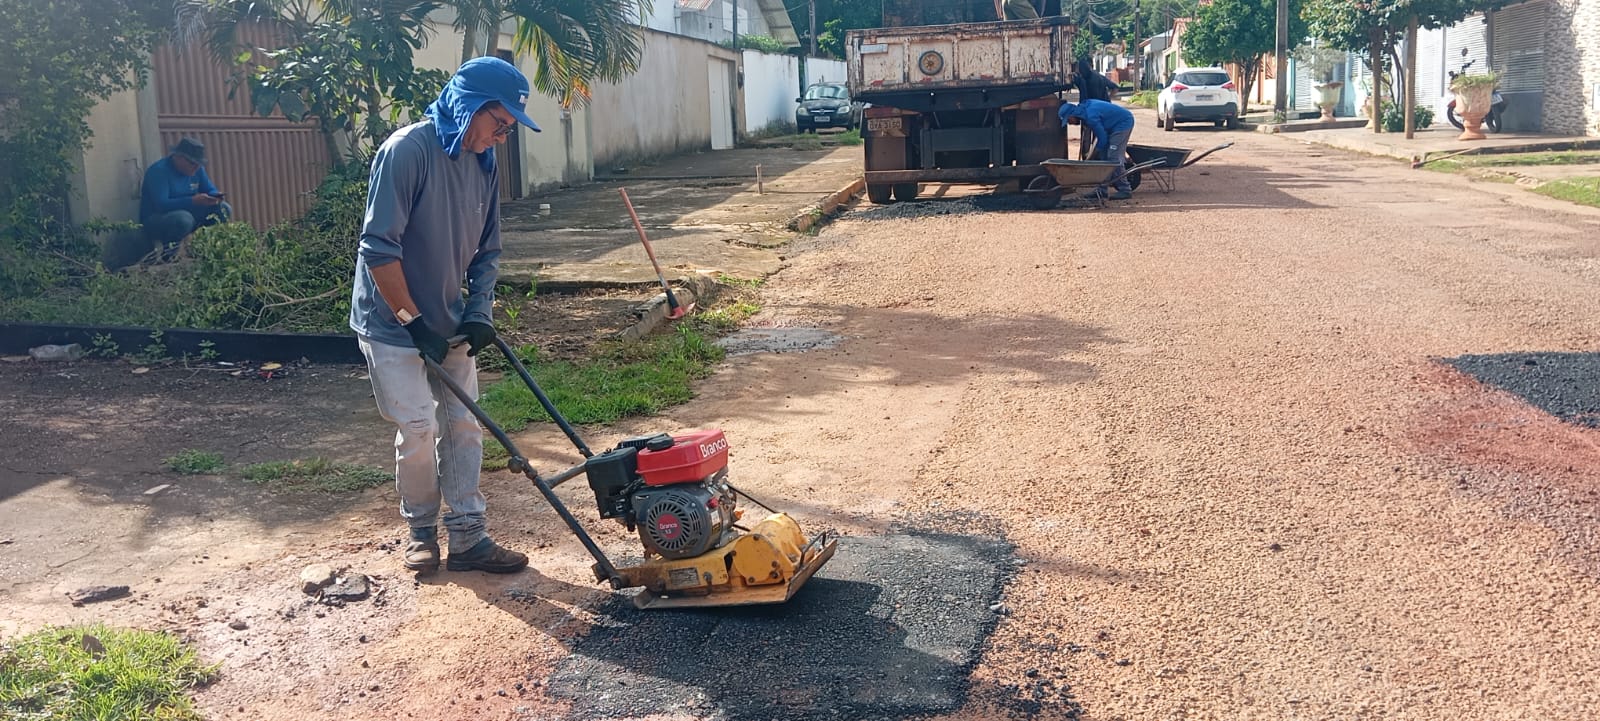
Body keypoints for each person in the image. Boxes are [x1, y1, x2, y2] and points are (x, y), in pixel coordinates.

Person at [349, 56, 540, 574]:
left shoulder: (483, 160)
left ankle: (469, 537)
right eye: (499, 123)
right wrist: (412, 321)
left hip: (448, 317)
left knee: (464, 425)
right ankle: (420, 531)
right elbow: (378, 248)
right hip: (392, 322)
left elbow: (487, 250)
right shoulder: (407, 152)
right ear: (469, 107)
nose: (503, 136)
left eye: (509, 129)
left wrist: (478, 310)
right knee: (416, 424)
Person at [140, 138, 230, 260]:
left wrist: (215, 196)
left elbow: (209, 189)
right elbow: (161, 204)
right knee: (183, 219)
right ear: (178, 157)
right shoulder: (159, 171)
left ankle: (208, 250)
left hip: (188, 214)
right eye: (192, 163)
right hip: (158, 218)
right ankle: (169, 256)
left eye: (199, 164)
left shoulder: (197, 170)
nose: (196, 168)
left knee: (224, 208)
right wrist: (192, 201)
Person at [1059, 99, 1136, 201]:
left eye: (1069, 120)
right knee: (1104, 159)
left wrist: (1092, 155)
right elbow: (1101, 138)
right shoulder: (1084, 110)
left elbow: (1102, 139)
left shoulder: (1091, 117)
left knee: (1113, 157)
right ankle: (1101, 191)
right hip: (1110, 126)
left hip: (1123, 123)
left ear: (1073, 114)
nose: (1070, 123)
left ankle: (1125, 190)